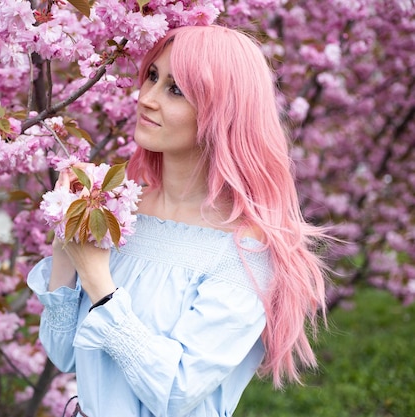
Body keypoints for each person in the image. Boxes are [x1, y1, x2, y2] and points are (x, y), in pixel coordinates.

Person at [27, 25, 328, 417]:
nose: (147, 99)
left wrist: (99, 281)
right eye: (151, 76)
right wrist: (68, 241)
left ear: (222, 112)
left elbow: (175, 393)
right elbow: (63, 352)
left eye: (175, 90)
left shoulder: (243, 250)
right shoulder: (122, 213)